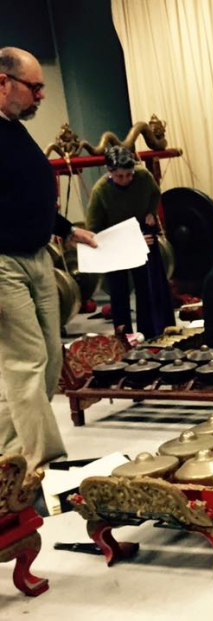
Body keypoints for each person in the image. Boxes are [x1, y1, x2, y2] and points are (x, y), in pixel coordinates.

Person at [0, 47, 97, 469]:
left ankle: (9, 453)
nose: (41, 95)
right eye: (35, 87)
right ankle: (42, 463)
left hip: (38, 257)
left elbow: (26, 197)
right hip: (4, 264)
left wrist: (68, 230)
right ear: (3, 82)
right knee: (25, 362)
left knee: (51, 357)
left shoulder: (15, 132)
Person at [86, 145, 175, 338]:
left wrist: (151, 211)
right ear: (108, 171)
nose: (125, 180)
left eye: (129, 175)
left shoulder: (143, 176)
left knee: (148, 288)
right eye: (119, 176)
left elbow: (155, 193)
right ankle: (124, 337)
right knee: (119, 292)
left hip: (143, 234)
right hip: (114, 242)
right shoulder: (100, 191)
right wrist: (130, 241)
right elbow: (94, 230)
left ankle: (152, 334)